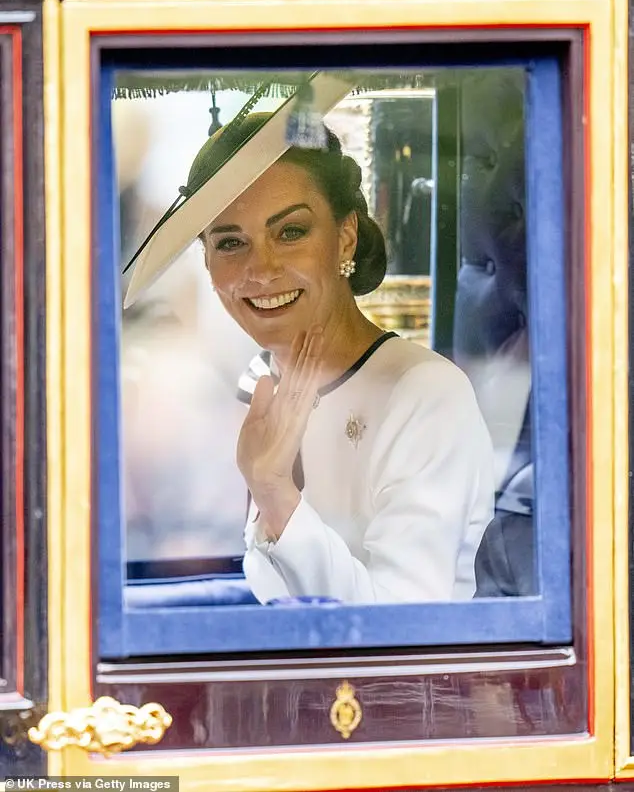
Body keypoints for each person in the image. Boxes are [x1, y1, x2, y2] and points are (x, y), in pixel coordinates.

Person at [127, 87, 495, 606]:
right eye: (230, 242)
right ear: (206, 261)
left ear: (345, 238)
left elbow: (401, 630)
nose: (260, 271)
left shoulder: (425, 394)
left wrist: (275, 490)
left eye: (291, 231)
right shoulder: (259, 384)